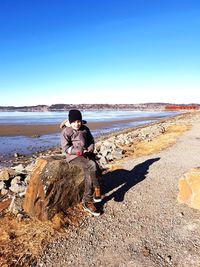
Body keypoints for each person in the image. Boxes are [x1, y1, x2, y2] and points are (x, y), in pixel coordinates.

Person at [60, 109, 102, 216]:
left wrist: (90, 149)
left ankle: (87, 202)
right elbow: (65, 148)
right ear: (70, 121)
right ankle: (97, 189)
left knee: (92, 170)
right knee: (92, 165)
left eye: (78, 121)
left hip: (86, 154)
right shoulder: (66, 131)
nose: (77, 124)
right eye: (74, 122)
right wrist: (77, 151)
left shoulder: (85, 129)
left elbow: (91, 141)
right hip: (74, 157)